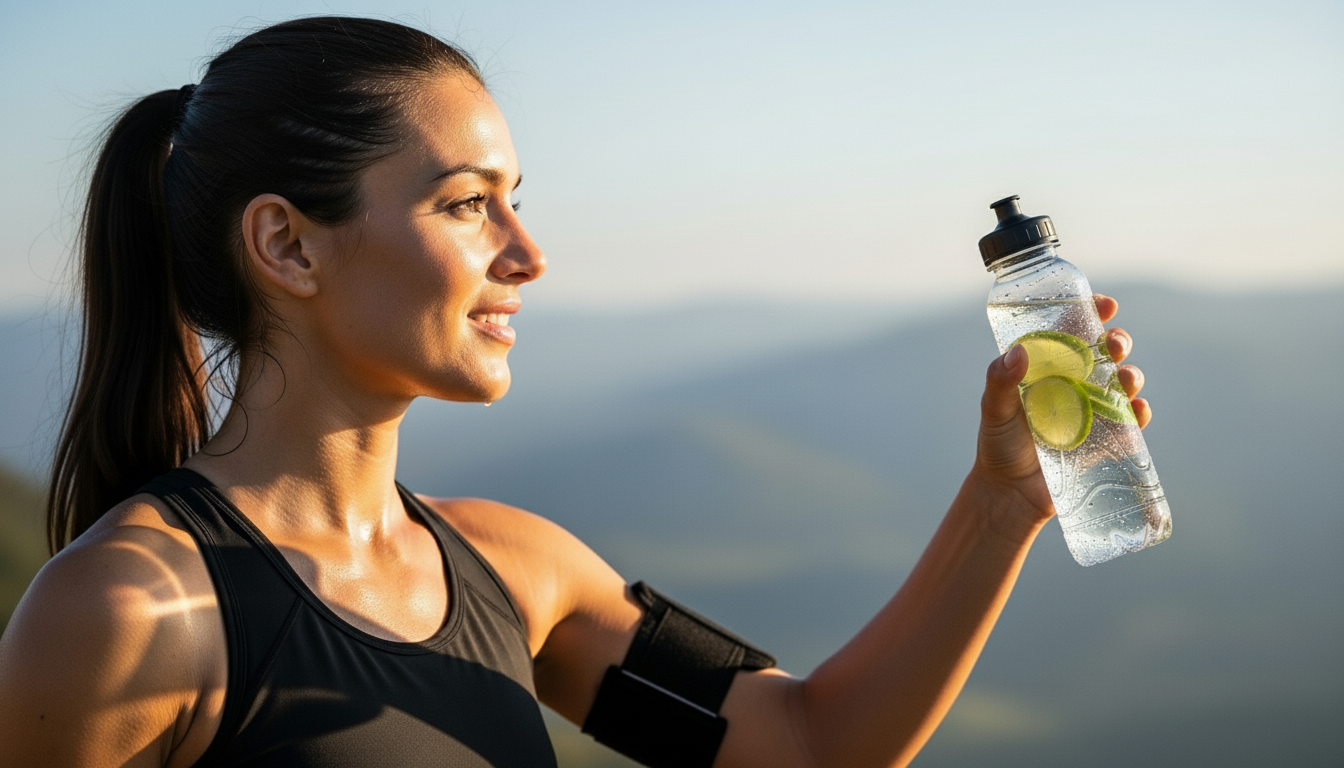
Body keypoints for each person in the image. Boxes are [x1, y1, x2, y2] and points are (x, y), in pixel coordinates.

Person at [0, 16, 1152, 768]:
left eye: (517, 198)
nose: (528, 252)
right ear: (288, 248)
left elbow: (812, 744)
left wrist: (1002, 502)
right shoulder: (125, 615)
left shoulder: (516, 569)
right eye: (465, 204)